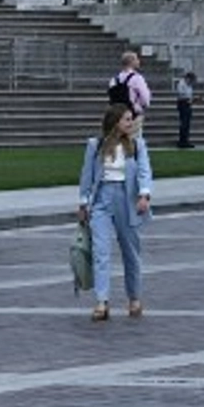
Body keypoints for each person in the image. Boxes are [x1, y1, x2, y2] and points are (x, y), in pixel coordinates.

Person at [76, 100, 154, 320]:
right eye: (127, 119)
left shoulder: (137, 145)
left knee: (131, 251)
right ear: (115, 122)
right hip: (101, 200)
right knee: (101, 251)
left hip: (127, 199)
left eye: (131, 119)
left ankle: (134, 298)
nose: (131, 123)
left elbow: (144, 171)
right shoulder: (96, 145)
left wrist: (144, 194)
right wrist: (83, 203)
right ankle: (102, 302)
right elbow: (87, 176)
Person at [109, 50, 154, 129]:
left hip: (117, 115)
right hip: (133, 113)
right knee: (134, 137)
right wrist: (142, 106)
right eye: (136, 59)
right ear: (131, 62)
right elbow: (145, 98)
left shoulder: (114, 79)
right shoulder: (137, 78)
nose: (138, 61)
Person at [175, 70, 198, 149]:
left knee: (187, 123)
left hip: (188, 104)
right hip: (183, 104)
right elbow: (181, 94)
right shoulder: (181, 84)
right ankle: (182, 141)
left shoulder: (189, 85)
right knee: (184, 123)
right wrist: (188, 98)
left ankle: (186, 140)